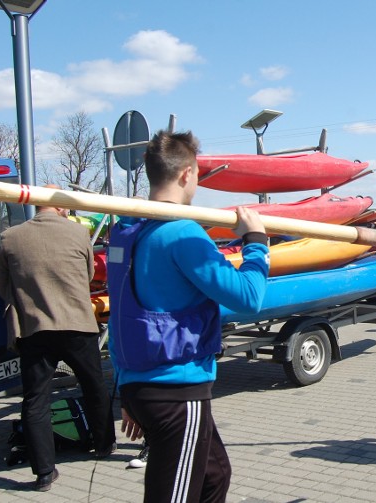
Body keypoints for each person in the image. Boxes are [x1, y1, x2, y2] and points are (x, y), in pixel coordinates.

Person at [108, 130, 270, 503]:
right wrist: (256, 242)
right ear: (186, 175)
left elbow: (120, 315)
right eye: (197, 175)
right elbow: (248, 297)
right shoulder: (182, 233)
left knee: (215, 477)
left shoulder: (127, 232)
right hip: (176, 393)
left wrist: (127, 389)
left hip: (142, 386)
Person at [0, 190, 116, 492]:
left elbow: (2, 286)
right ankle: (103, 445)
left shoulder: (10, 237)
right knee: (94, 386)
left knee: (35, 400)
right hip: (78, 324)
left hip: (35, 329)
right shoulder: (78, 233)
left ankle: (44, 472)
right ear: (60, 207)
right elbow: (88, 274)